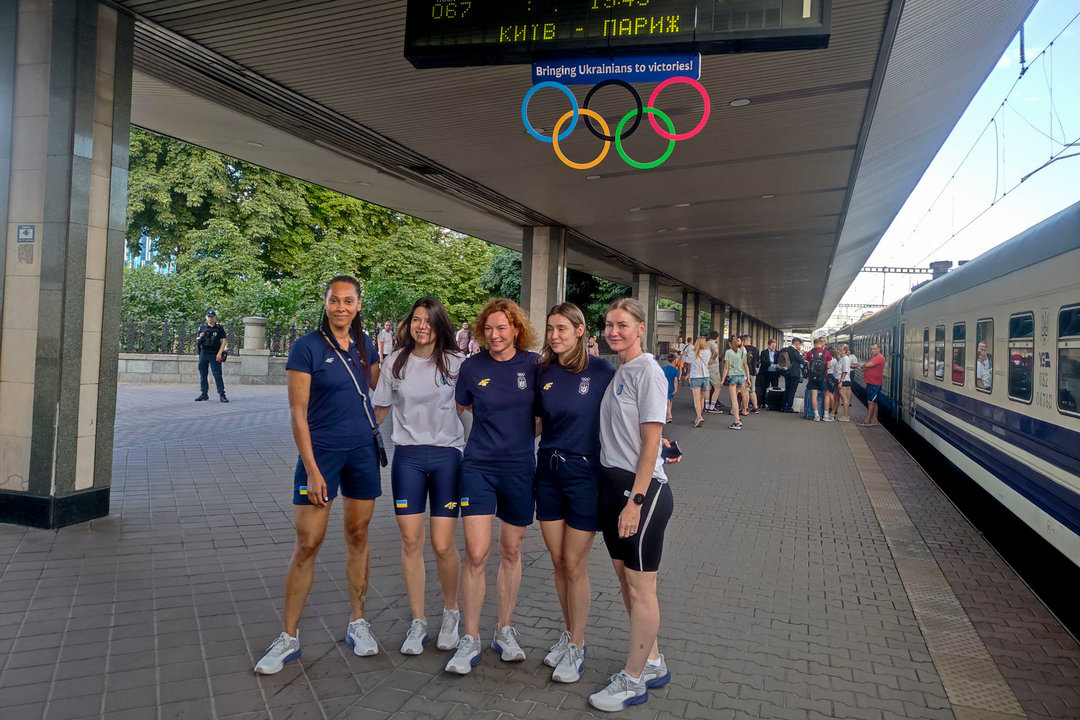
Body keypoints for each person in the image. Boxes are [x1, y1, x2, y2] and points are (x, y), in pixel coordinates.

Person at [255, 276, 382, 674]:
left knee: (358, 534)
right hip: (320, 456)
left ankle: (358, 623)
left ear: (359, 305)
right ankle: (288, 638)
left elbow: (375, 392)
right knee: (308, 543)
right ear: (325, 303)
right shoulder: (306, 347)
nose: (341, 307)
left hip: (361, 452)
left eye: (348, 301)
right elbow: (298, 412)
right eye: (334, 300)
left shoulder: (367, 347)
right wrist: (311, 468)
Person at [445, 298, 540, 675]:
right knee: (477, 553)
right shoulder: (472, 367)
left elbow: (548, 415)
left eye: (503, 328)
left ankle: (504, 629)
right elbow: (461, 408)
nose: (495, 334)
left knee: (511, 550)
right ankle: (470, 638)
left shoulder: (534, 366)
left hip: (519, 469)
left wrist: (520, 436)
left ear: (516, 329)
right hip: (479, 467)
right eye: (490, 328)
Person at [588, 297, 675, 712]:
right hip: (612, 486)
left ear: (641, 328)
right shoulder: (620, 370)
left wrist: (636, 501)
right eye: (608, 324)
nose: (614, 331)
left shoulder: (649, 372)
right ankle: (653, 661)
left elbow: (651, 442)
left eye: (622, 324)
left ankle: (634, 679)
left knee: (642, 588)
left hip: (641, 492)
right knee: (626, 583)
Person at [373, 297, 465, 656]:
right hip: (407, 458)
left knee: (442, 544)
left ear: (439, 324)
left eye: (428, 320)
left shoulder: (457, 363)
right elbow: (379, 410)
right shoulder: (395, 362)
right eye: (415, 319)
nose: (421, 326)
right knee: (411, 543)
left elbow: (472, 408)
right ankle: (418, 622)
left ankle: (451, 613)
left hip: (447, 458)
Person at [535, 303, 616, 683]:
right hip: (547, 471)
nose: (555, 336)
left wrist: (660, 443)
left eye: (562, 329)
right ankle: (568, 636)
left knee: (574, 562)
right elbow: (534, 421)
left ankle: (578, 646)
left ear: (581, 330)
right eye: (551, 329)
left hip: (585, 473)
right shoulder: (543, 370)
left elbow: (625, 417)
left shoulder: (602, 371)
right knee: (557, 561)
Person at [195, 310, 229, 403]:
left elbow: (224, 341)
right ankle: (204, 394)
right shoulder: (202, 327)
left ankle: (222, 395)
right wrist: (200, 337)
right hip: (204, 352)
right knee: (203, 374)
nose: (210, 318)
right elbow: (198, 340)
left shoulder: (219, 328)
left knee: (217, 375)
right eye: (209, 316)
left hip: (214, 353)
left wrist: (219, 353)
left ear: (214, 317)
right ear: (206, 317)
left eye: (212, 316)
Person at [721, 336, 749, 430]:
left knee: (734, 400)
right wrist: (748, 379)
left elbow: (726, 367)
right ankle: (738, 419)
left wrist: (722, 379)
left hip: (733, 376)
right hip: (741, 376)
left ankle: (737, 421)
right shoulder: (742, 351)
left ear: (729, 343)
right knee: (737, 397)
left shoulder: (728, 352)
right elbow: (746, 366)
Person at [804, 337, 832, 421]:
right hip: (823, 378)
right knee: (826, 395)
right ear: (821, 344)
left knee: (814, 396)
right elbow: (829, 366)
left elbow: (808, 366)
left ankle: (816, 415)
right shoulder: (827, 353)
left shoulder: (810, 353)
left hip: (813, 378)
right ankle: (826, 415)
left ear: (814, 344)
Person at [687, 337, 712, 428]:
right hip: (705, 376)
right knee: (701, 398)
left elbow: (686, 355)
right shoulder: (708, 352)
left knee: (696, 399)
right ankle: (699, 416)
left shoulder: (692, 353)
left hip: (695, 376)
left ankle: (699, 417)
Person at [860, 343, 885, 427]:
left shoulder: (879, 358)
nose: (872, 350)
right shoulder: (875, 358)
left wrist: (865, 366)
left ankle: (868, 420)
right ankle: (875, 420)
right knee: (874, 402)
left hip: (874, 383)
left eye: (874, 348)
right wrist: (865, 367)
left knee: (871, 402)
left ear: (879, 349)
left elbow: (867, 365)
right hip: (872, 382)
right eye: (871, 349)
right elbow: (866, 366)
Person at [780, 338, 805, 413]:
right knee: (792, 390)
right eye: (799, 345)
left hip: (786, 372)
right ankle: (789, 407)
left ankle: (783, 406)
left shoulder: (786, 349)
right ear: (796, 344)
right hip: (794, 373)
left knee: (787, 389)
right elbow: (801, 361)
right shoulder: (794, 351)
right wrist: (800, 353)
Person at [757, 339, 781, 407]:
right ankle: (763, 403)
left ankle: (773, 403)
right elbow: (763, 361)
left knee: (775, 388)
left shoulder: (777, 353)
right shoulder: (764, 352)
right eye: (772, 346)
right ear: (769, 345)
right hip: (766, 372)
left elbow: (780, 361)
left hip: (775, 372)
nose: (774, 347)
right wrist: (770, 362)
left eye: (775, 346)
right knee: (764, 388)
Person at [836, 344, 856, 422]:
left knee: (844, 399)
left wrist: (841, 381)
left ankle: (846, 416)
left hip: (844, 380)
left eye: (840, 350)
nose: (838, 351)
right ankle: (846, 415)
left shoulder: (845, 359)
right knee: (845, 399)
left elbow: (845, 370)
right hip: (846, 380)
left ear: (844, 351)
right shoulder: (844, 358)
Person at [740, 334, 759, 415]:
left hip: (744, 372)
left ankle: (745, 408)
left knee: (746, 391)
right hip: (753, 372)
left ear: (743, 341)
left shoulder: (741, 349)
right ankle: (755, 408)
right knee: (753, 390)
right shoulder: (756, 349)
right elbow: (758, 361)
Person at [705, 331, 724, 414]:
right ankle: (712, 406)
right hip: (713, 369)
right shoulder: (713, 344)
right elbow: (716, 352)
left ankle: (706, 405)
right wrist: (713, 359)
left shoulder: (706, 343)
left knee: (708, 387)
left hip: (706, 368)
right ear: (716, 337)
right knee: (717, 387)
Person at [661, 353, 679, 423]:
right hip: (672, 387)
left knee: (666, 401)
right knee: (669, 402)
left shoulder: (664, 368)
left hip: (665, 386)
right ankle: (669, 415)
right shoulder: (675, 371)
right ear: (674, 360)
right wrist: (676, 389)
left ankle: (667, 415)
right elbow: (675, 381)